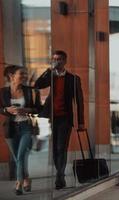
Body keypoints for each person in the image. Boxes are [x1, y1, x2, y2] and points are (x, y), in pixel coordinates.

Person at [34, 50, 85, 189]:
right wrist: (48, 70)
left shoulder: (74, 79)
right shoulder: (50, 76)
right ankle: (59, 173)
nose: (57, 61)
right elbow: (37, 85)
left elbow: (79, 102)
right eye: (55, 59)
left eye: (60, 59)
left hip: (65, 118)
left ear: (65, 61)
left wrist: (81, 122)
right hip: (51, 118)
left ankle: (60, 176)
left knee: (61, 147)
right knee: (55, 149)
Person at [0, 65, 41, 195]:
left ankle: (19, 183)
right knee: (17, 157)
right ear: (11, 76)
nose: (24, 76)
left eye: (25, 74)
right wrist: (7, 110)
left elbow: (38, 109)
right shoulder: (2, 92)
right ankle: (26, 178)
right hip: (10, 129)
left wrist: (26, 110)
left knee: (21, 155)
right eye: (21, 74)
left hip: (26, 127)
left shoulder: (31, 91)